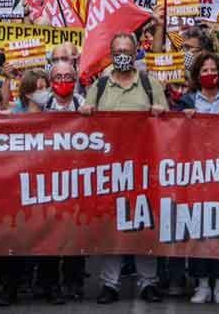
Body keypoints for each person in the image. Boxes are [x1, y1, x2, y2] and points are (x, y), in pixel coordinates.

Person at [81, 33, 167, 304]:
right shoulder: (102, 85)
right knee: (112, 226)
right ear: (110, 52)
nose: (122, 55)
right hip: (110, 168)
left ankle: (148, 282)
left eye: (127, 50)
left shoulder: (149, 84)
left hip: (145, 167)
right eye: (117, 50)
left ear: (135, 53)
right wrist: (86, 110)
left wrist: (158, 112)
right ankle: (109, 283)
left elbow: (167, 123)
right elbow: (87, 116)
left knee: (144, 223)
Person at [178, 51, 219, 304]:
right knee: (198, 227)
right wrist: (184, 121)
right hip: (196, 172)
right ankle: (202, 283)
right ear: (197, 75)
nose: (209, 74)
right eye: (204, 71)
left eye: (213, 70)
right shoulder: (187, 101)